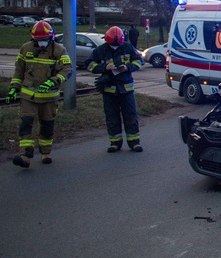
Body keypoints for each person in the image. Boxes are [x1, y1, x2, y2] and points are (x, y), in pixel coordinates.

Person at [7, 20, 72, 167]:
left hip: (49, 96)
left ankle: (45, 153)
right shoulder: (25, 49)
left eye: (44, 40)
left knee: (47, 125)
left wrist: (53, 81)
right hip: (28, 95)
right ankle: (25, 156)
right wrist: (14, 88)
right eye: (38, 40)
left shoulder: (59, 50)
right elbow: (19, 70)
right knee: (26, 123)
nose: (41, 43)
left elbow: (67, 69)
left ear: (51, 37)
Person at [86, 26, 145, 152]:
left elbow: (139, 61)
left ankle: (134, 142)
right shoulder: (100, 50)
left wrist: (127, 67)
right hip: (109, 90)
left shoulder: (128, 47)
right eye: (113, 45)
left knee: (130, 115)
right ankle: (115, 143)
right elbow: (89, 64)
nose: (115, 48)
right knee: (112, 117)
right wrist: (104, 67)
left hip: (126, 89)